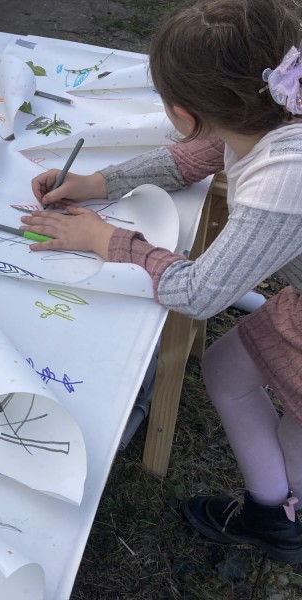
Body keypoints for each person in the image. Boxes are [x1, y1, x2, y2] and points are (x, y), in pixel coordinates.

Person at [25, 0, 302, 563]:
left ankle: (286, 518)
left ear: (181, 112)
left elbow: (197, 294)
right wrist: (100, 182)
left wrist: (108, 240)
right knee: (227, 367)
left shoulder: (283, 179)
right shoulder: (274, 108)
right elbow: (197, 156)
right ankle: (274, 511)